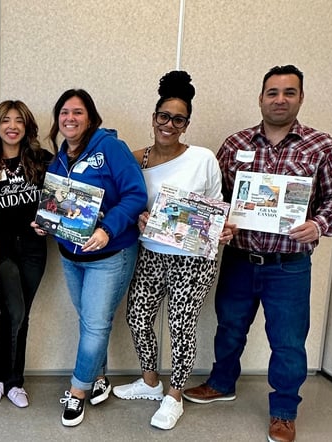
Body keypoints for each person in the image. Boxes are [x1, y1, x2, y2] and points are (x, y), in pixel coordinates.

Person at [182, 65, 332, 442]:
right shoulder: (235, 144)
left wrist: (319, 224)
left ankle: (284, 411)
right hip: (240, 261)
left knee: (288, 341)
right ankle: (221, 383)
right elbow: (218, 197)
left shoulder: (320, 146)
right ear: (260, 98)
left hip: (289, 266)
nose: (280, 99)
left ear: (301, 98)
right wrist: (218, 221)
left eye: (289, 92)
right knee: (229, 328)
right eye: (273, 92)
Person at [111, 71, 234, 430]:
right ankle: (150, 381)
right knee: (137, 316)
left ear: (186, 124)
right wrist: (136, 219)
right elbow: (125, 201)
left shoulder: (203, 158)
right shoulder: (135, 158)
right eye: (163, 116)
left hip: (193, 259)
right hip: (150, 252)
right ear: (153, 118)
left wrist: (220, 228)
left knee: (181, 324)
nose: (169, 124)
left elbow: (216, 207)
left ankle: (174, 395)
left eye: (177, 119)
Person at [32, 89, 147, 427]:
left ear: (91, 117)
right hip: (71, 255)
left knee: (95, 326)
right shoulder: (60, 158)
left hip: (110, 254)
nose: (70, 118)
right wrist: (46, 224)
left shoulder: (110, 147)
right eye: (64, 112)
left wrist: (108, 230)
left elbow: (136, 194)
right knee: (90, 323)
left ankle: (78, 391)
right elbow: (62, 207)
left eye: (77, 112)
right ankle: (98, 378)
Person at [0, 100, 53, 408]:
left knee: (20, 314)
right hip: (0, 248)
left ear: (27, 126)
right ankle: (2, 375)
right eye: (6, 120)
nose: (12, 126)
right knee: (14, 312)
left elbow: (60, 198)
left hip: (34, 249)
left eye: (19, 121)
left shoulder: (42, 160)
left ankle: (9, 380)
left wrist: (51, 223)